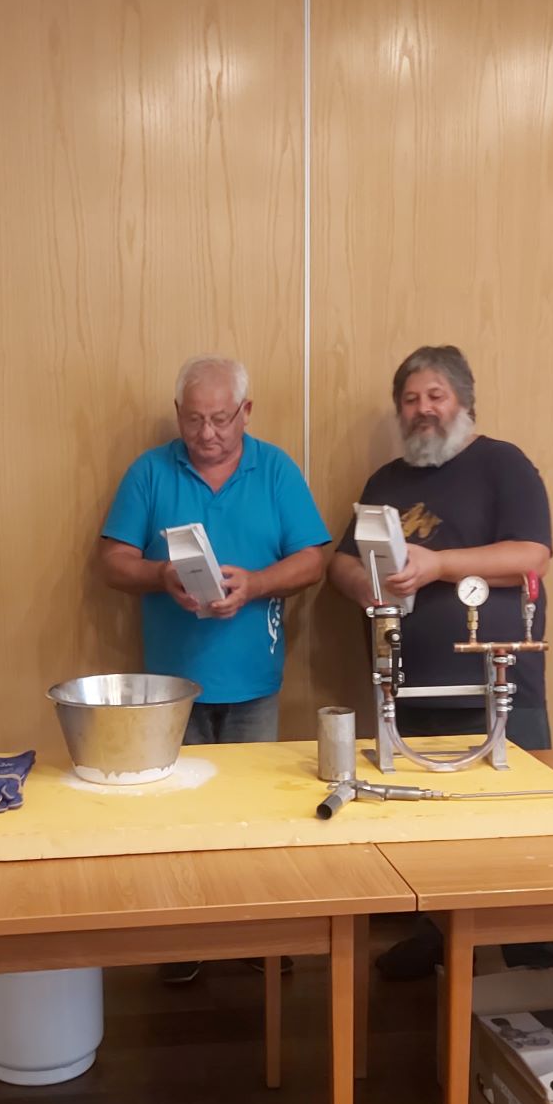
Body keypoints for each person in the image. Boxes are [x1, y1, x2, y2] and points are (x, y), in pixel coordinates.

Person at [98, 355, 330, 982]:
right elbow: (111, 561)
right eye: (195, 420)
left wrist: (256, 584)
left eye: (222, 419)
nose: (207, 433)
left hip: (254, 679)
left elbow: (312, 560)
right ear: (178, 414)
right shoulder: (150, 471)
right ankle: (183, 939)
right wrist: (160, 575)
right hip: (172, 688)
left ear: (246, 412)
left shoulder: (275, 468)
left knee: (252, 813)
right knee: (176, 816)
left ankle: (254, 934)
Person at [329, 344, 553, 978]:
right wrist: (360, 583)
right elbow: (341, 562)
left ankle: (531, 962)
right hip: (405, 688)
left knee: (518, 825)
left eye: (435, 396)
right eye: (410, 399)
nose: (422, 409)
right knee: (430, 829)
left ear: (463, 401)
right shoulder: (385, 481)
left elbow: (532, 555)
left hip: (498, 687)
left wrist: (438, 565)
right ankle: (440, 937)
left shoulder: (504, 464)